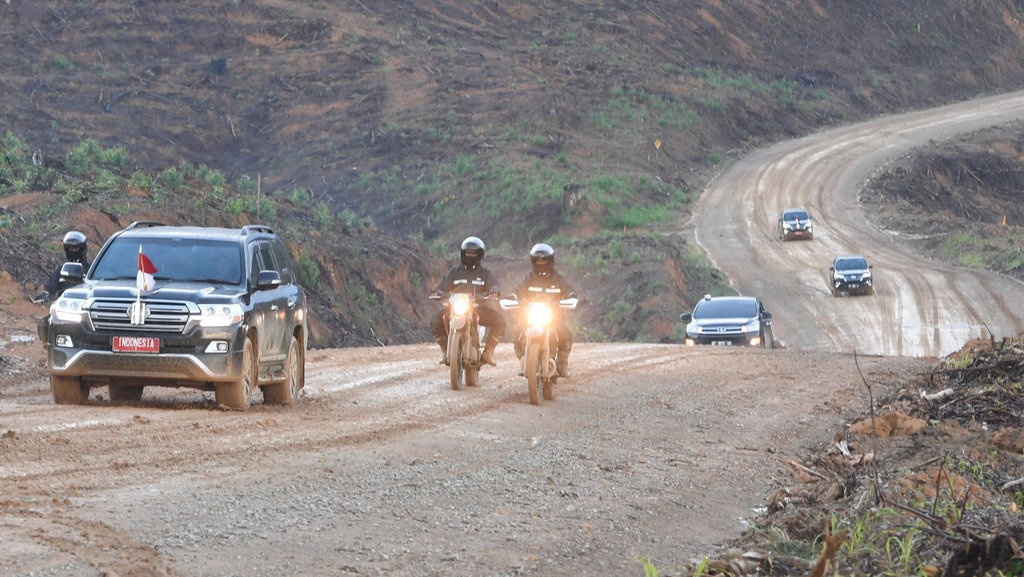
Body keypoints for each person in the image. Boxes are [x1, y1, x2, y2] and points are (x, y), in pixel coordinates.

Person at [430, 236, 506, 366]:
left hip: (477, 308)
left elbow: (493, 284)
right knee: (435, 320)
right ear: (463, 254)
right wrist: (439, 292)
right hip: (456, 308)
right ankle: (445, 350)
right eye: (467, 253)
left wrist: (494, 290)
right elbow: (443, 286)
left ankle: (488, 353)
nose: (470, 255)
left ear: (479, 255)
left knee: (500, 321)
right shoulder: (454, 272)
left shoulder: (485, 273)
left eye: (473, 253)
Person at [507, 243, 578, 378]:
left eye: (544, 260)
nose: (541, 262)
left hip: (554, 318)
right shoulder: (530, 278)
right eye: (538, 260)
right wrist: (513, 297)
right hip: (531, 317)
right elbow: (519, 290)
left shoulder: (558, 279)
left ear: (550, 261)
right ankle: (523, 360)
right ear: (534, 261)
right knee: (518, 335)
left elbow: (569, 290)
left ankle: (562, 364)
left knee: (565, 336)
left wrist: (572, 297)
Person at [34, 230, 90, 303]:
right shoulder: (61, 269)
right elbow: (50, 286)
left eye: (76, 248)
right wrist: (45, 294)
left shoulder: (91, 269)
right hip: (65, 305)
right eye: (70, 248)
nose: (73, 251)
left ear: (82, 249)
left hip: (85, 303)